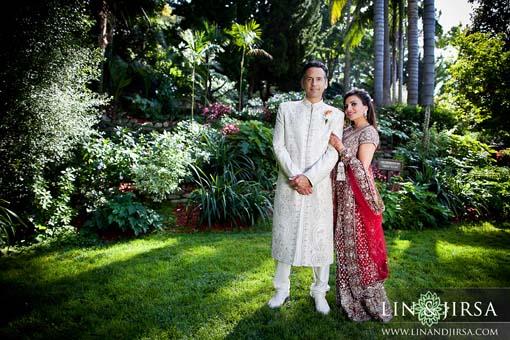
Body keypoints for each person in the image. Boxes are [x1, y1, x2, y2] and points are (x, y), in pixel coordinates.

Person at [268, 60, 344, 315]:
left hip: (318, 187)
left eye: (319, 79)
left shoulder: (335, 114)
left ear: (326, 83)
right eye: (309, 78)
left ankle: (320, 290)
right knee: (284, 234)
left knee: (320, 237)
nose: (314, 83)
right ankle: (281, 290)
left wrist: (309, 178)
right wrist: (295, 175)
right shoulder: (286, 109)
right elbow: (278, 145)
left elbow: (333, 153)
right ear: (303, 82)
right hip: (289, 183)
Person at [329, 88, 392, 322]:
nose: (349, 109)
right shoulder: (345, 131)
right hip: (341, 195)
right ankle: (347, 297)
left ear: (366, 107)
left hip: (357, 198)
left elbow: (361, 168)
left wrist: (340, 148)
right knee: (343, 246)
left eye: (354, 104)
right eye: (346, 106)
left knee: (360, 248)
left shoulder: (369, 133)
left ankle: (371, 302)